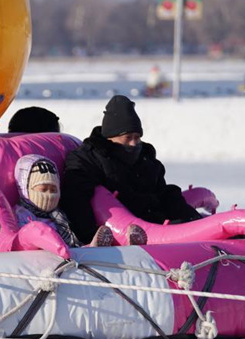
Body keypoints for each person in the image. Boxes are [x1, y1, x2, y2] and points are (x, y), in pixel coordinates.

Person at [61, 95, 200, 244]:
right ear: (111, 137)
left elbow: (163, 194)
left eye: (137, 137)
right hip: (116, 231)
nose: (134, 143)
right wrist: (87, 237)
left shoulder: (147, 160)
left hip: (157, 224)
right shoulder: (88, 159)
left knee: (172, 196)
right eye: (127, 138)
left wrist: (191, 221)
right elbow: (76, 200)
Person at [13, 154, 127, 247]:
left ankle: (93, 248)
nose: (49, 195)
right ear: (25, 189)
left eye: (53, 190)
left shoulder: (58, 215)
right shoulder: (22, 215)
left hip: (67, 251)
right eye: (43, 189)